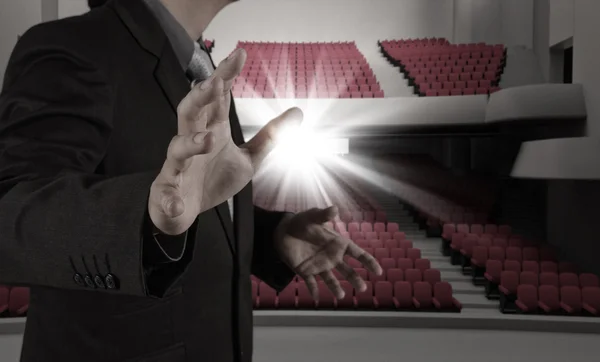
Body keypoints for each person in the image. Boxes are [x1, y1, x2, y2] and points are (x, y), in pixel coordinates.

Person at [0, 0, 382, 361]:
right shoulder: (73, 47)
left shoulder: (201, 67)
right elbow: (10, 211)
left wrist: (269, 235)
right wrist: (151, 219)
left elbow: (197, 201)